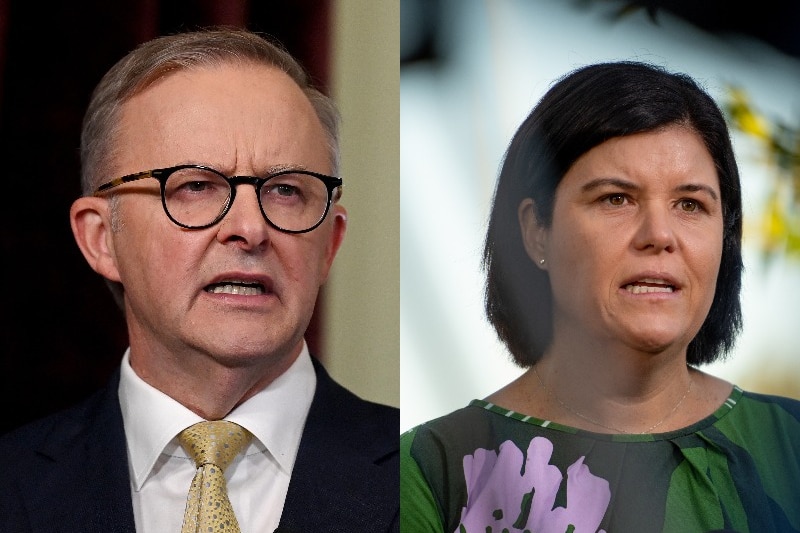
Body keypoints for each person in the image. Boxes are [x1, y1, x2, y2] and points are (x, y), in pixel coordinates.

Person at [0, 27, 398, 532]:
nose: (251, 229)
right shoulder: (12, 489)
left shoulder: (442, 484)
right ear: (102, 239)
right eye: (195, 186)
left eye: (285, 191)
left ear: (330, 245)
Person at [400, 61, 800, 532]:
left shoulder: (789, 445)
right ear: (536, 232)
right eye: (616, 198)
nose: (659, 234)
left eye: (690, 205)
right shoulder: (431, 472)